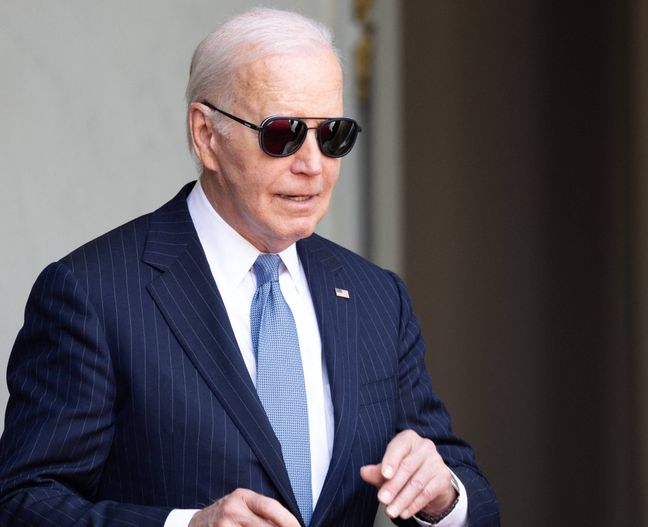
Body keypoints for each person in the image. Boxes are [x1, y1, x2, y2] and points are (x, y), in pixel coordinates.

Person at [0, 8, 498, 527]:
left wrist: (443, 496)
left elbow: (469, 493)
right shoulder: (91, 293)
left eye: (332, 135)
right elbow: (20, 502)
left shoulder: (377, 297)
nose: (312, 165)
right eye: (282, 134)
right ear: (206, 135)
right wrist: (187, 526)